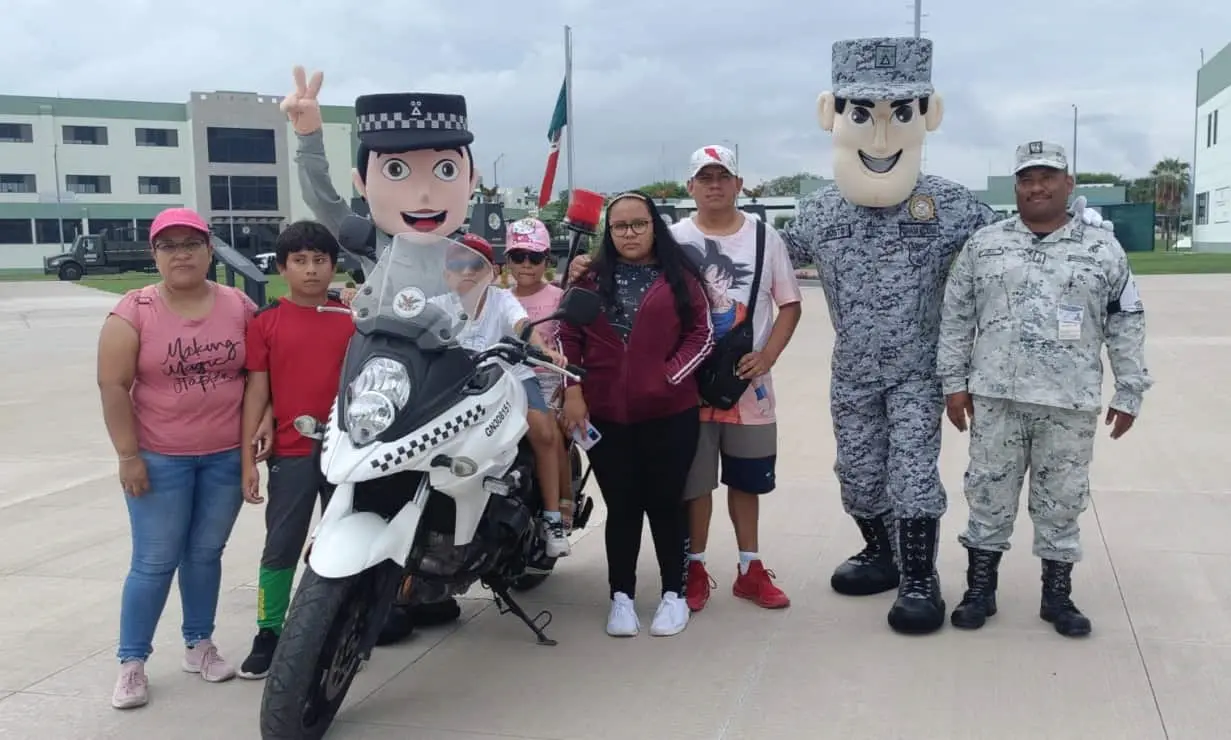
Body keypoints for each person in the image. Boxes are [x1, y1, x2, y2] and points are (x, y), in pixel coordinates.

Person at [780, 37, 1113, 635]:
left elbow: (1015, 238)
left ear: (923, 115)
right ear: (834, 114)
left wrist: (1078, 222)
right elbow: (765, 261)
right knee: (856, 475)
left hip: (917, 372)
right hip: (852, 371)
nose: (880, 136)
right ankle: (880, 554)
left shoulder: (950, 205)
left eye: (898, 113)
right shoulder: (819, 211)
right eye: (862, 113)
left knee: (911, 472)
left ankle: (919, 578)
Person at [280, 65, 478, 636]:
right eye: (396, 170)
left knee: (465, 468)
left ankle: (446, 571)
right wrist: (308, 136)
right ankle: (357, 593)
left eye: (443, 170)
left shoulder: (465, 254)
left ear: (466, 178)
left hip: (440, 376)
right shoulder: (372, 239)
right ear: (369, 179)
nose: (421, 192)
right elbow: (321, 197)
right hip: (386, 374)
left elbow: (478, 320)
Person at [937, 141, 1152, 638]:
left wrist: (1130, 391)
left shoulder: (1102, 249)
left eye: (1047, 177)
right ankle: (979, 590)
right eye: (1027, 178)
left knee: (1062, 499)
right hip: (996, 398)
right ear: (1016, 186)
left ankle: (1057, 597)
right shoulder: (984, 244)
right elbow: (956, 316)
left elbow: (1126, 321)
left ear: (1068, 184)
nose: (1036, 187)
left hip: (1068, 402)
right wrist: (953, 383)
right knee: (988, 494)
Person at [97, 207, 260, 709]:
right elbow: (112, 385)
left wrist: (259, 431)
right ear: (155, 255)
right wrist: (129, 456)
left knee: (205, 554)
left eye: (192, 243)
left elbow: (259, 374)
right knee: (153, 561)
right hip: (160, 457)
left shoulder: (238, 305)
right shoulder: (135, 310)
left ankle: (199, 644)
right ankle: (132, 662)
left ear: (210, 250)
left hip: (224, 458)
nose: (182, 253)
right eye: (169, 246)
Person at [559, 191, 714, 638]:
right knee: (622, 507)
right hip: (606, 414)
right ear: (609, 232)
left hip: (670, 412)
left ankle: (673, 595)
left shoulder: (681, 276)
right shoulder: (589, 280)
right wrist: (574, 391)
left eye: (638, 224)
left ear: (654, 226)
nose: (629, 233)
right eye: (619, 226)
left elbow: (701, 334)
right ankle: (621, 597)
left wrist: (668, 377)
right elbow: (568, 338)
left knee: (666, 504)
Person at [672, 145, 803, 613]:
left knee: (747, 482)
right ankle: (694, 566)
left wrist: (767, 355)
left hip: (750, 389)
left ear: (739, 184)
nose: (713, 184)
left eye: (722, 176)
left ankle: (750, 569)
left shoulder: (767, 239)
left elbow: (789, 304)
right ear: (689, 187)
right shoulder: (672, 238)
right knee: (695, 483)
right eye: (704, 177)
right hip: (687, 385)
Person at [236, 221, 355, 679]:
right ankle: (269, 630)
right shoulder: (266, 322)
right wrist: (248, 460)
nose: (311, 271)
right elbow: (256, 394)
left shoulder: (351, 319)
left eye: (320, 261)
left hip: (348, 451)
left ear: (333, 266)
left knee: (345, 538)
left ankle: (344, 625)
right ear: (282, 267)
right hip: (291, 450)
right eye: (300, 261)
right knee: (282, 544)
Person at [438, 233, 572, 557]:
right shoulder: (439, 305)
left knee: (543, 431)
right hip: (461, 387)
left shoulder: (501, 300)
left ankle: (553, 519)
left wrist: (542, 350)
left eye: (477, 265)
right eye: (459, 265)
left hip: (513, 377)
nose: (468, 272)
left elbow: (523, 326)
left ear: (493, 273)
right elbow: (406, 319)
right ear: (447, 274)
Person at [505, 217, 575, 527]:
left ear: (547, 260)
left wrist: (569, 386)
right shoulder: (499, 298)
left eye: (535, 257)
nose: (526, 265)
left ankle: (563, 504)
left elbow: (570, 344)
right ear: (507, 260)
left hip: (549, 377)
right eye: (518, 257)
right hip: (507, 377)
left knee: (550, 433)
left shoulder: (559, 297)